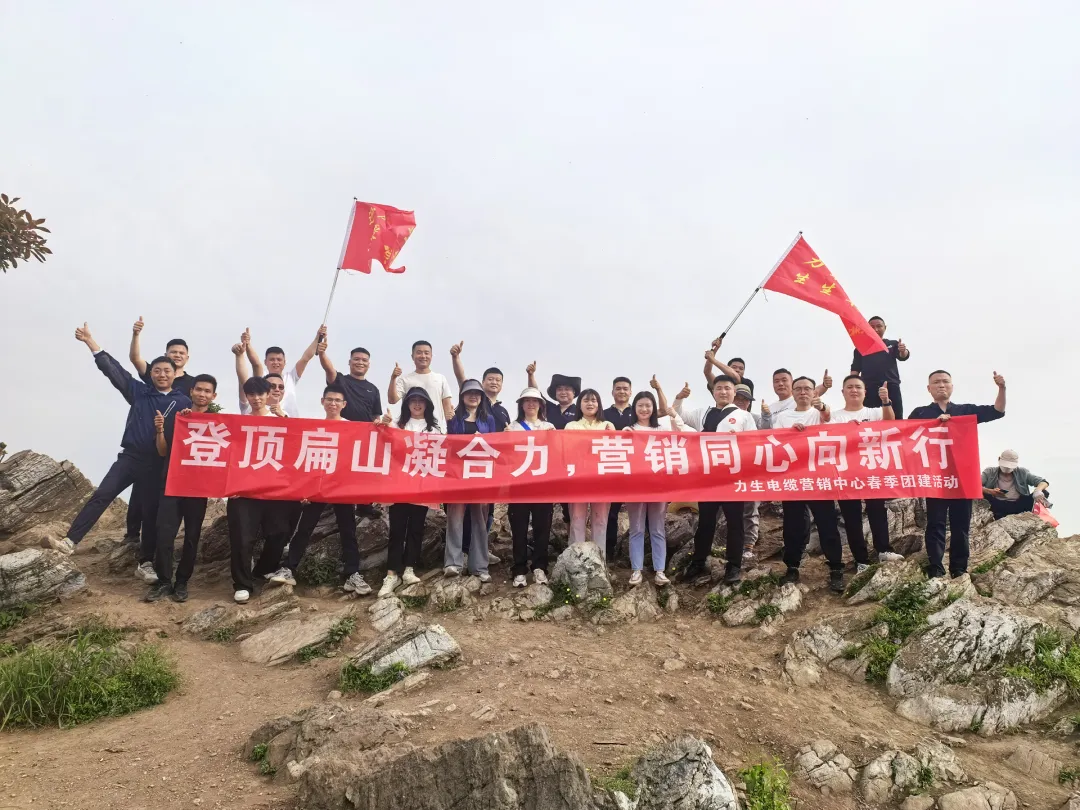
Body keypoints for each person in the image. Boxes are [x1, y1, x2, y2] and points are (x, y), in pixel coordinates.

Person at [44, 325, 191, 591]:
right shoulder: (138, 392)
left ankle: (145, 563)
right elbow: (114, 371)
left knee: (150, 513)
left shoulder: (183, 402)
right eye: (157, 370)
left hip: (157, 464)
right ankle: (70, 541)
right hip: (130, 458)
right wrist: (91, 342)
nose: (162, 374)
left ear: (174, 374)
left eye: (167, 371)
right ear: (151, 373)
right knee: (103, 494)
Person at [265, 385, 372, 595]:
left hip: (342, 487)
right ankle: (289, 568)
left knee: (348, 530)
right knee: (305, 527)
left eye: (337, 400)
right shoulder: (315, 427)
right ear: (322, 402)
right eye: (329, 399)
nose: (333, 404)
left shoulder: (352, 428)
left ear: (344, 404)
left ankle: (352, 574)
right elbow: (298, 447)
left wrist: (382, 425)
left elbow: (364, 449)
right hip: (317, 486)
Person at [909, 370, 1007, 578]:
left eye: (945, 381)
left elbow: (997, 411)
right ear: (929, 388)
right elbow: (905, 435)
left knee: (961, 525)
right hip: (935, 478)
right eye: (936, 382)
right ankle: (936, 567)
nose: (941, 385)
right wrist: (933, 424)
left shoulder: (965, 411)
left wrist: (1002, 388)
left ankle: (959, 568)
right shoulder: (920, 413)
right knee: (935, 524)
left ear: (952, 386)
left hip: (962, 477)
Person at [674, 375, 757, 585]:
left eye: (727, 388)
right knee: (706, 522)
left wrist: (740, 442)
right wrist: (680, 398)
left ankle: (733, 566)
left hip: (732, 478)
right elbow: (678, 414)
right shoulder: (703, 413)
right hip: (708, 477)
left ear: (734, 392)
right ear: (713, 391)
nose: (723, 391)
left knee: (735, 523)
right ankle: (699, 561)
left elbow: (754, 444)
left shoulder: (744, 416)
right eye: (719, 388)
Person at [144, 373, 219, 603]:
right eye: (199, 389)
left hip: (198, 489)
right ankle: (164, 582)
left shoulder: (218, 424)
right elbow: (162, 451)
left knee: (191, 537)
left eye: (207, 391)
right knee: (164, 534)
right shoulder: (178, 418)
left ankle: (182, 583)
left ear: (214, 396)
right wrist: (160, 430)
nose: (202, 394)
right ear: (191, 391)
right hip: (173, 484)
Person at [772, 375, 848, 592]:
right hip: (793, 478)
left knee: (827, 524)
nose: (803, 392)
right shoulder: (783, 417)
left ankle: (836, 568)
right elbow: (775, 443)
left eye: (807, 388)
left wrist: (822, 406)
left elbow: (828, 418)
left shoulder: (820, 412)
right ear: (793, 392)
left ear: (814, 392)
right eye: (798, 389)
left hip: (820, 478)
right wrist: (790, 434)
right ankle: (792, 567)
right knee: (793, 525)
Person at [125, 317, 195, 547]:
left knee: (162, 493)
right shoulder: (157, 373)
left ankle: (158, 541)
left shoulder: (192, 383)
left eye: (181, 352)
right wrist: (136, 334)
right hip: (147, 440)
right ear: (166, 354)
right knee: (140, 489)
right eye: (173, 352)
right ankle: (132, 534)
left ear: (187, 357)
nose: (177, 355)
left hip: (174, 445)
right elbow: (135, 359)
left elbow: (201, 409)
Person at [226, 376, 291, 603]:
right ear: (246, 396)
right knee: (242, 538)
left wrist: (285, 420)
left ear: (268, 394)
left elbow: (295, 449)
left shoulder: (281, 419)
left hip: (274, 489)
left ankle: (263, 569)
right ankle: (242, 584)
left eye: (260, 394)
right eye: (251, 394)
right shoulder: (238, 423)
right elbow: (229, 455)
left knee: (279, 532)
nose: (256, 398)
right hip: (243, 491)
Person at [374, 387, 443, 596]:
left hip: (421, 486)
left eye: (421, 400)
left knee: (416, 528)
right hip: (399, 485)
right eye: (413, 400)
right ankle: (391, 574)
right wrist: (382, 425)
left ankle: (409, 568)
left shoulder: (434, 429)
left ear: (427, 404)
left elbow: (441, 453)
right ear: (407, 404)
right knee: (397, 530)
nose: (417, 404)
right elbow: (382, 441)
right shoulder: (397, 424)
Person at [830, 375, 904, 564]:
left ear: (865, 392)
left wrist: (886, 400)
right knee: (851, 517)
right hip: (845, 472)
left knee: (877, 510)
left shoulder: (875, 412)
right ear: (842, 392)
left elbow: (890, 422)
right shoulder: (835, 416)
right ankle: (861, 560)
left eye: (858, 387)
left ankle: (884, 550)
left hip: (872, 469)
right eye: (849, 387)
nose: (854, 390)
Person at [623, 390, 680, 586]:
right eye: (640, 405)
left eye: (648, 405)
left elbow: (680, 443)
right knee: (636, 529)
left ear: (654, 408)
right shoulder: (628, 430)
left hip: (658, 487)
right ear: (634, 408)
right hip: (635, 488)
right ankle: (636, 570)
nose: (644, 409)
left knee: (657, 528)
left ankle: (660, 571)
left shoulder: (662, 430)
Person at [444, 380, 497, 582]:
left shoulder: (488, 419)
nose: (473, 396)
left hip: (480, 476)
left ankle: (479, 566)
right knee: (455, 518)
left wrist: (482, 439)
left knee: (480, 521)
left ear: (482, 397)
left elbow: (494, 445)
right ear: (462, 396)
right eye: (469, 393)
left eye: (477, 393)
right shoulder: (453, 418)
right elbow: (448, 444)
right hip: (457, 476)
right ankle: (453, 563)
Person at [504, 387, 555, 587]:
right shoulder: (512, 427)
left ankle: (540, 567)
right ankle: (519, 569)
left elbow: (557, 453)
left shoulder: (549, 426)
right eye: (527, 401)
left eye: (535, 401)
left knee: (543, 528)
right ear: (521, 405)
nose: (531, 404)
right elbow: (505, 456)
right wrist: (505, 438)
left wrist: (553, 437)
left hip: (543, 486)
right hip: (519, 486)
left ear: (541, 405)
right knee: (519, 529)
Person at [564, 389, 615, 553]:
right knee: (577, 519)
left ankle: (599, 559)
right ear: (579, 404)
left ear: (599, 404)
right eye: (586, 400)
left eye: (593, 400)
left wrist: (612, 436)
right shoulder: (571, 426)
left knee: (600, 520)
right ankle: (575, 559)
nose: (590, 404)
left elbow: (615, 452)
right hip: (578, 479)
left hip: (602, 480)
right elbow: (567, 451)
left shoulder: (607, 425)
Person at [244, 327, 321, 417]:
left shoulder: (291, 377)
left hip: (289, 422)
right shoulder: (262, 378)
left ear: (284, 362)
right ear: (265, 362)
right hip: (267, 420)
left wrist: (318, 337)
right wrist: (248, 345)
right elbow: (256, 364)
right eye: (272, 359)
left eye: (279, 359)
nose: (276, 362)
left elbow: (305, 358)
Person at [388, 340, 455, 433]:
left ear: (431, 356)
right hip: (410, 430)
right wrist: (393, 378)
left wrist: (449, 429)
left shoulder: (440, 378)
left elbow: (447, 408)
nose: (423, 356)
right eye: (419, 353)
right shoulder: (405, 379)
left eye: (426, 353)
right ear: (412, 356)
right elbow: (392, 400)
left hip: (436, 431)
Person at [851, 316, 910, 420]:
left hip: (891, 386)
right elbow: (855, 369)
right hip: (869, 388)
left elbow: (903, 356)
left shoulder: (892, 344)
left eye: (879, 326)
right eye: (872, 327)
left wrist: (903, 350)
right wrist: (852, 386)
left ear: (885, 327)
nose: (876, 329)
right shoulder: (860, 348)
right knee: (869, 419)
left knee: (896, 419)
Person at [603, 377, 635, 561]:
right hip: (612, 467)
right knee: (611, 512)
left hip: (636, 470)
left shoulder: (639, 411)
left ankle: (641, 554)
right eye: (618, 388)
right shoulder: (603, 414)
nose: (622, 391)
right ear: (612, 392)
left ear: (630, 392)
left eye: (625, 388)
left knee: (641, 511)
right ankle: (609, 551)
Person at [732, 383, 763, 561]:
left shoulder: (757, 419)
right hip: (727, 470)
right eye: (738, 398)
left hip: (751, 470)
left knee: (751, 508)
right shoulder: (719, 417)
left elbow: (772, 432)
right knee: (724, 508)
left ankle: (749, 545)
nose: (741, 402)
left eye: (745, 399)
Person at [318, 338, 382, 423]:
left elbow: (376, 417)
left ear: (368, 364)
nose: (360, 362)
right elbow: (329, 369)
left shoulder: (373, 389)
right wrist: (322, 354)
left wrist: (379, 423)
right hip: (342, 428)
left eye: (364, 360)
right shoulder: (341, 380)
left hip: (365, 430)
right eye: (356, 359)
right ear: (349, 362)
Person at [449, 341, 510, 429]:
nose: (494, 382)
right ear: (482, 382)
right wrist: (456, 357)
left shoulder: (503, 412)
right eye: (490, 379)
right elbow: (461, 378)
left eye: (498, 380)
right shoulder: (475, 401)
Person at [982, 450, 1048, 521]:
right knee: (981, 493)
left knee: (1044, 492)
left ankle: (1029, 515)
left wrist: (1038, 490)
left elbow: (1043, 482)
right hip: (996, 504)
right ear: (999, 459)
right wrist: (990, 491)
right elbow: (975, 486)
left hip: (1019, 505)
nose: (1007, 469)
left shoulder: (1022, 472)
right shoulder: (990, 471)